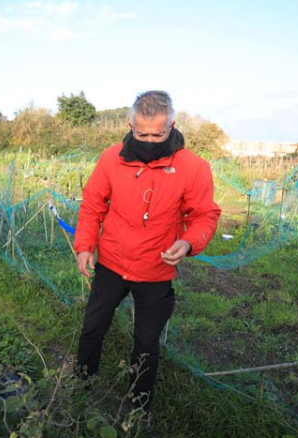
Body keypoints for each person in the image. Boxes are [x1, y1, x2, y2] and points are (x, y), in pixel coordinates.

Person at [73, 90, 221, 420]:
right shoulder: (111, 158)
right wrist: (84, 246)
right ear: (129, 124)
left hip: (155, 270)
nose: (151, 141)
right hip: (111, 264)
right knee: (93, 327)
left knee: (146, 342)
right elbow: (93, 206)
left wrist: (188, 243)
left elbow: (204, 215)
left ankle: (139, 408)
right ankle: (80, 383)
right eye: (142, 134)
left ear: (173, 125)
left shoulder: (193, 167)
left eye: (158, 134)